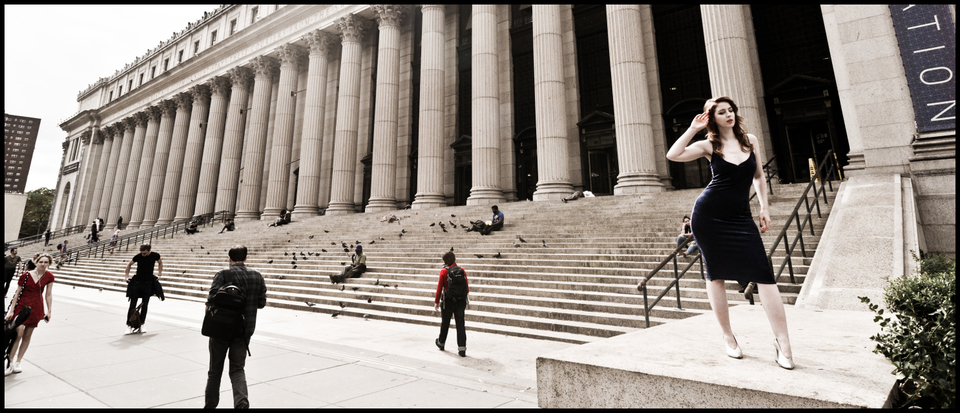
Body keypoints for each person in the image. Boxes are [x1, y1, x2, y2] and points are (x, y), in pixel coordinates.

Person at [666, 96, 794, 369]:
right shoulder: (708, 145)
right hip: (709, 216)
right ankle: (728, 337)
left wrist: (764, 207)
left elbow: (758, 176)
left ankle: (783, 343)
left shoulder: (750, 140)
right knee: (716, 276)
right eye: (722, 112)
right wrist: (692, 129)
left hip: (740, 217)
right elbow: (673, 155)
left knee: (764, 276)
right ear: (713, 118)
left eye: (731, 110)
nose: (729, 115)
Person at [204, 245, 266, 409]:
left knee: (214, 371)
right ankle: (241, 404)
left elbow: (211, 301)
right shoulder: (257, 276)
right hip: (244, 330)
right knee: (237, 369)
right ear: (246, 258)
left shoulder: (223, 274)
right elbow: (261, 303)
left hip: (220, 330)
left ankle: (210, 406)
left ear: (229, 258)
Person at [4, 253, 54, 376]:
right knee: (18, 333)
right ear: (36, 262)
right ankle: (10, 362)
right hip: (21, 307)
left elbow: (48, 294)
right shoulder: (26, 275)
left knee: (27, 336)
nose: (43, 264)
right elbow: (17, 294)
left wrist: (49, 310)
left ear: (49, 264)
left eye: (46, 262)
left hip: (36, 308)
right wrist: (11, 310)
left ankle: (18, 362)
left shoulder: (49, 276)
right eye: (41, 261)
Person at [434, 251, 469, 357]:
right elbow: (466, 288)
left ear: (445, 261)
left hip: (447, 301)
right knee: (460, 324)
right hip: (460, 301)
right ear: (454, 259)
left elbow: (439, 288)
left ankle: (441, 343)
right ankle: (462, 348)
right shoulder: (461, 270)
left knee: (445, 323)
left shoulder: (444, 272)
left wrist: (436, 302)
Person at [123, 245, 163, 335]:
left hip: (148, 283)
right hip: (137, 282)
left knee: (145, 304)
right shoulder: (138, 256)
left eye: (144, 253)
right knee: (132, 304)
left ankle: (142, 324)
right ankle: (129, 325)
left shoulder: (155, 255)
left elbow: (160, 262)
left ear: (149, 250)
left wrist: (160, 274)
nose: (143, 255)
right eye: (141, 253)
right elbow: (129, 264)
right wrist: (126, 276)